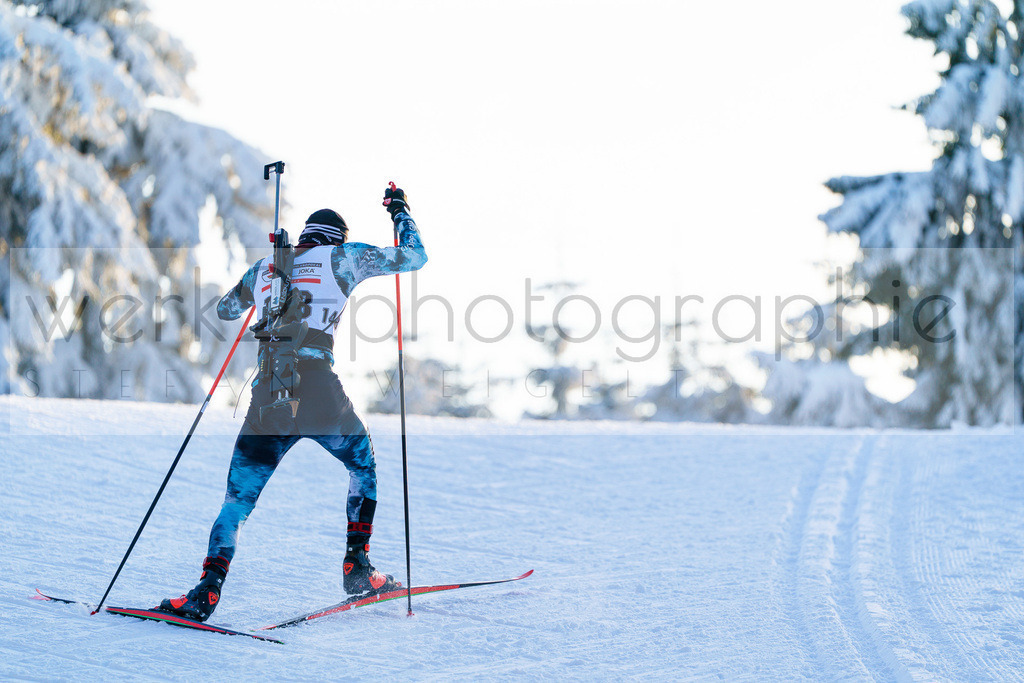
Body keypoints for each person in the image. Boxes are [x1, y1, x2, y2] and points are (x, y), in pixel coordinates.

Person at [157, 185, 427, 622]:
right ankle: (357, 568)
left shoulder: (266, 266)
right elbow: (414, 257)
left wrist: (269, 286)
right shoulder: (343, 258)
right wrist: (399, 211)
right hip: (320, 392)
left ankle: (206, 592)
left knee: (237, 502)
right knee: (362, 466)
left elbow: (227, 310)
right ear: (336, 238)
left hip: (270, 395)